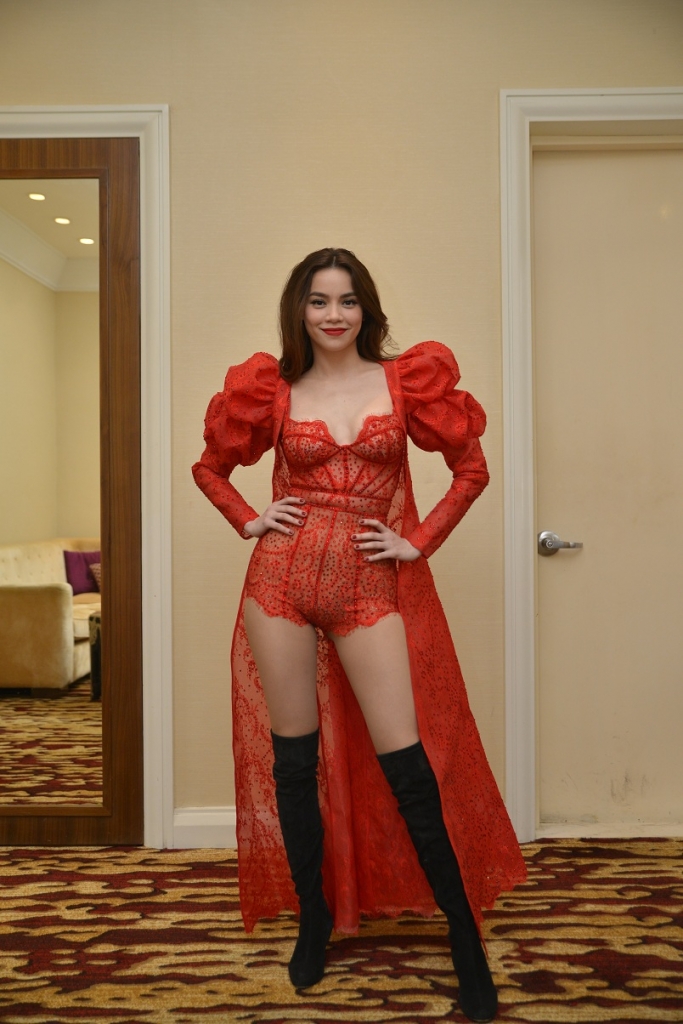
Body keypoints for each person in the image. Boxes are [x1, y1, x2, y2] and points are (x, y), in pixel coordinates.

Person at [192, 248, 526, 1023]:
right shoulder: (272, 390)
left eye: (346, 300)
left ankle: (462, 935)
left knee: (407, 766)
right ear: (299, 310)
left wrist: (418, 541)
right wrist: (249, 519)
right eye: (318, 301)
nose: (333, 314)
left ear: (366, 309)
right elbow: (209, 469)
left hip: (367, 588)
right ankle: (312, 920)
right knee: (293, 763)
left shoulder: (405, 382)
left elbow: (471, 470)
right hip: (279, 582)